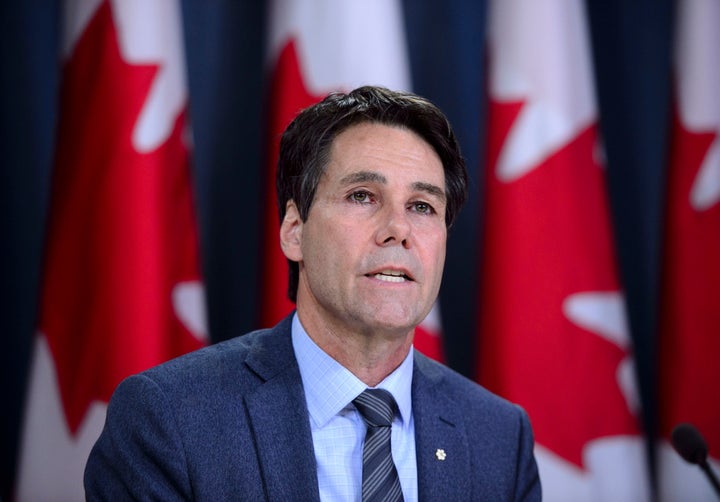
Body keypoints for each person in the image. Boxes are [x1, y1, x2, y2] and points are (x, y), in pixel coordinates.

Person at [84, 86, 541, 501]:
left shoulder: (499, 437)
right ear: (294, 231)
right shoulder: (169, 420)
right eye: (363, 196)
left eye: (422, 207)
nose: (399, 230)